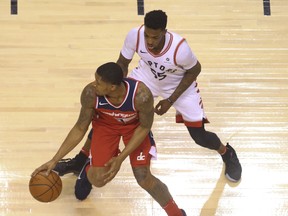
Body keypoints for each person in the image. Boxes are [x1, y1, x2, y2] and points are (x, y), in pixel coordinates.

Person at [54, 10, 242, 184]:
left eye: (155, 36)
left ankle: (227, 153)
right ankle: (81, 160)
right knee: (108, 113)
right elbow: (122, 62)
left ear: (164, 32)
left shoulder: (180, 49)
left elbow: (195, 70)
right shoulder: (134, 35)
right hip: (147, 77)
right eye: (147, 35)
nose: (150, 41)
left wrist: (170, 101)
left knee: (199, 136)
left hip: (177, 85)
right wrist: (117, 95)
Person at [32, 62, 187, 216]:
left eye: (99, 82)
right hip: (105, 127)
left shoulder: (141, 96)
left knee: (143, 177)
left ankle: (176, 214)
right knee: (98, 179)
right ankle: (87, 167)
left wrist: (120, 158)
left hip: (135, 129)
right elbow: (80, 127)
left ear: (112, 87)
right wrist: (54, 160)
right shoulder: (90, 94)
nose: (94, 84)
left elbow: (144, 127)